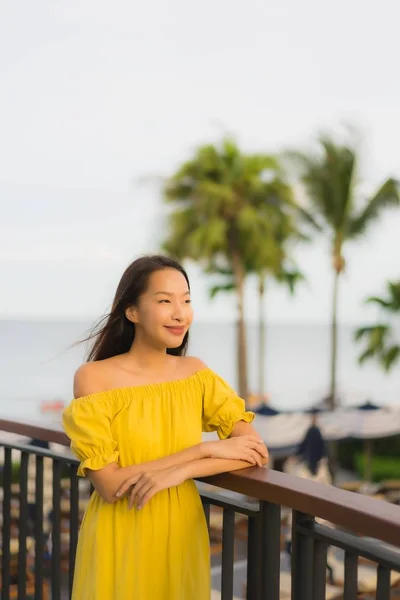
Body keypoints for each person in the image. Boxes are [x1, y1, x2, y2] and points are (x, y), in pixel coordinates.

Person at [62, 255, 269, 600]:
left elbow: (254, 450)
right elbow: (111, 484)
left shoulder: (196, 373)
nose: (180, 313)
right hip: (121, 529)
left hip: (181, 529)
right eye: (165, 301)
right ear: (132, 311)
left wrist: (180, 472)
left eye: (186, 300)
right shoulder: (94, 378)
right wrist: (202, 450)